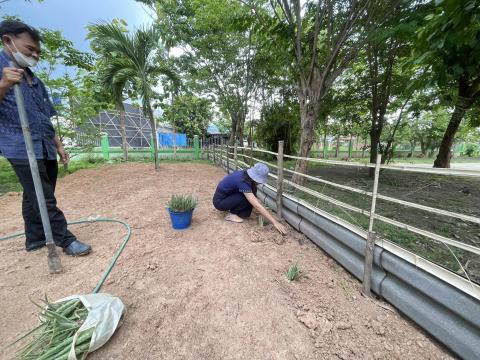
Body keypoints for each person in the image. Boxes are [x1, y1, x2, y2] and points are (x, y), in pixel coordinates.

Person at [0, 20, 91, 256]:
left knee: (35, 195)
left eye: (38, 51)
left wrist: (59, 145)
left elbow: (44, 118)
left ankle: (34, 237)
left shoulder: (35, 80)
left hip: (44, 145)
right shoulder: (2, 71)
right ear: (8, 40)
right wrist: (3, 85)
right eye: (30, 49)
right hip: (20, 146)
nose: (34, 55)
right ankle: (65, 240)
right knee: (43, 195)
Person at [213, 162, 287, 235]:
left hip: (228, 197)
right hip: (219, 202)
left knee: (247, 207)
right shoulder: (242, 182)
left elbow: (254, 198)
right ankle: (233, 215)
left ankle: (237, 210)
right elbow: (256, 205)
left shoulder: (246, 176)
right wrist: (275, 222)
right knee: (245, 198)